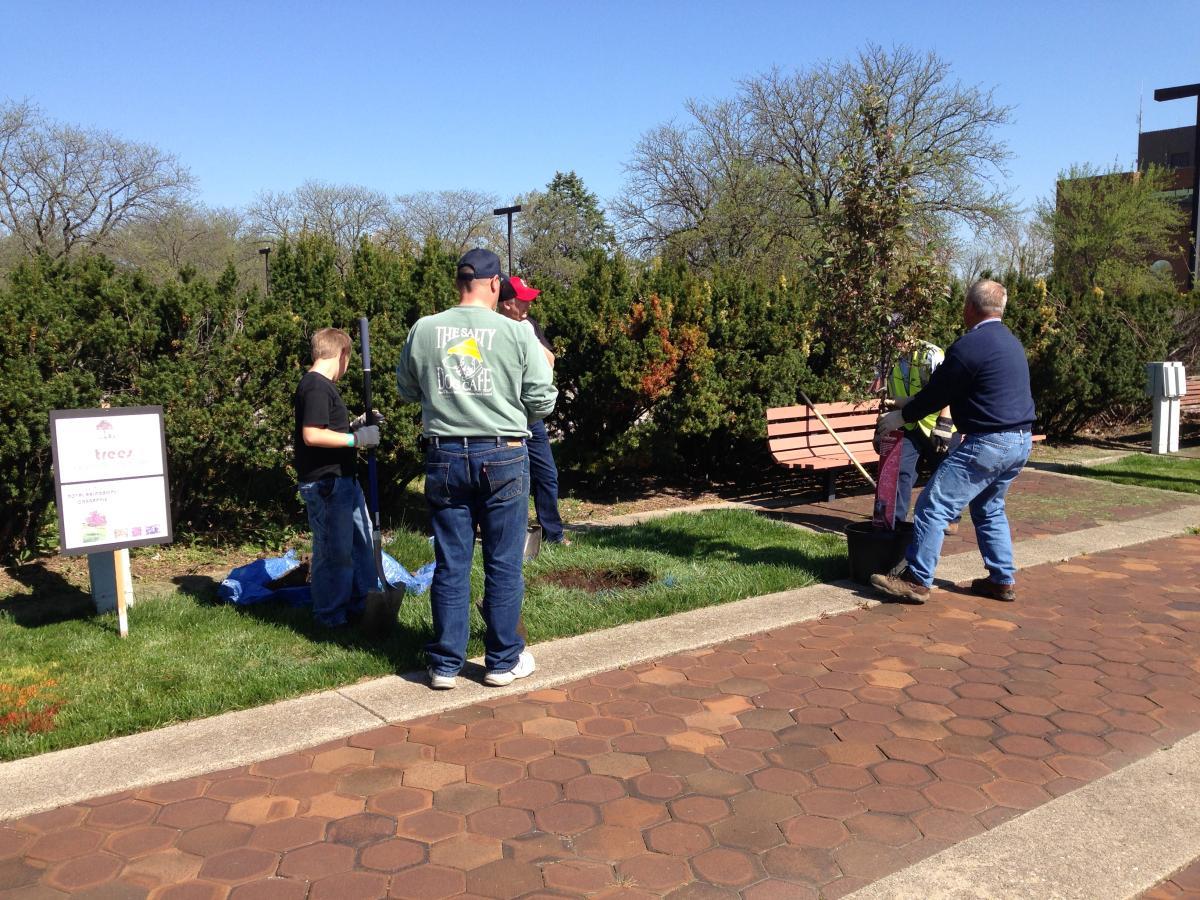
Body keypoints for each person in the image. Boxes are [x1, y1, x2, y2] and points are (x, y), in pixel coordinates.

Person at [397, 248, 557, 690]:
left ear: (458, 283)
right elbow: (543, 398)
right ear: (494, 284)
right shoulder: (517, 332)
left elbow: (407, 389)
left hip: (445, 454)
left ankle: (445, 665)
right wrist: (513, 413)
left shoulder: (424, 329)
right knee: (503, 562)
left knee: (451, 562)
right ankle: (501, 662)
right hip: (504, 452)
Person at [871, 280, 1035, 604]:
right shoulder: (1011, 342)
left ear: (969, 308)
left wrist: (900, 417)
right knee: (989, 508)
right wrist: (907, 403)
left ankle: (917, 580)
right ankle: (1001, 580)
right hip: (1020, 441)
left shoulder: (969, 345)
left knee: (933, 505)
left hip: (989, 443)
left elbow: (938, 393)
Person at [293, 327, 381, 627]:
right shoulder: (316, 386)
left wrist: (355, 427)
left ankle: (361, 606)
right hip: (327, 484)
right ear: (343, 354)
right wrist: (356, 440)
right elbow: (312, 435)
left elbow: (326, 428)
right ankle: (330, 618)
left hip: (343, 480)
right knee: (334, 553)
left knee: (360, 545)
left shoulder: (322, 386)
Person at [498, 274, 570, 545]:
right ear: (506, 303)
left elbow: (550, 361)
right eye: (522, 300)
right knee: (513, 477)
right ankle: (509, 536)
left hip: (531, 416)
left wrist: (529, 338)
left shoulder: (529, 326)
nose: (528, 305)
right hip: (505, 416)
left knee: (547, 474)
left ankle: (553, 534)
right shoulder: (494, 329)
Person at [876, 333, 960, 529]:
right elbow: (886, 396)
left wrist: (945, 421)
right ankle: (895, 521)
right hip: (906, 423)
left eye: (896, 335)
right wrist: (880, 428)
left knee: (943, 472)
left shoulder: (930, 355)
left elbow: (949, 388)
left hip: (936, 425)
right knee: (900, 472)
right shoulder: (888, 359)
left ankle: (950, 519)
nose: (891, 340)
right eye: (888, 336)